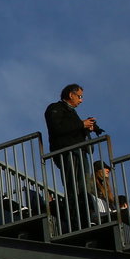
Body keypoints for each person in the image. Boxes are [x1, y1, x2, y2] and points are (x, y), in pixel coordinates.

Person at [44, 83, 99, 229]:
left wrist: (87, 128)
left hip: (79, 153)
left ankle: (86, 218)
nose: (81, 100)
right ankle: (76, 221)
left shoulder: (71, 112)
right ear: (71, 95)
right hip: (68, 153)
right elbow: (57, 128)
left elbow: (71, 130)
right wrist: (81, 124)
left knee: (84, 188)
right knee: (74, 187)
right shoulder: (55, 108)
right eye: (79, 96)